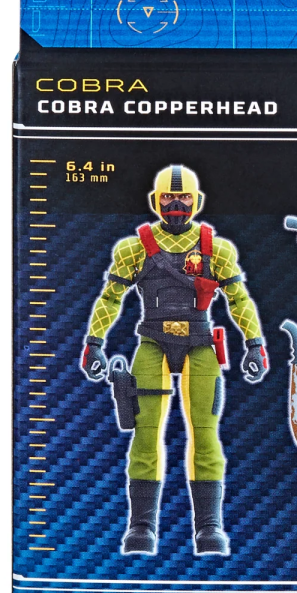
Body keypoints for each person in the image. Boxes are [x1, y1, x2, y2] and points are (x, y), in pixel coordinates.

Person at [79, 165, 268, 555]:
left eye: (182, 197)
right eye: (168, 197)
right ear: (155, 200)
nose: (176, 204)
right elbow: (110, 298)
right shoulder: (134, 248)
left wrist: (254, 344)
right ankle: (141, 526)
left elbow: (239, 299)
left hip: (200, 344)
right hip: (153, 343)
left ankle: (209, 526)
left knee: (205, 433)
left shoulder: (217, 249)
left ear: (197, 201)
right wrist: (94, 343)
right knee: (145, 434)